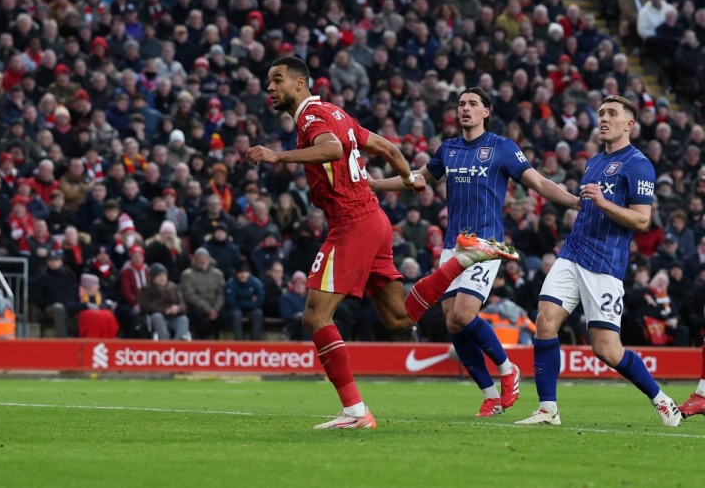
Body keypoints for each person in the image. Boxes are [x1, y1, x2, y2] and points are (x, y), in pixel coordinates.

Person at [246, 56, 513, 429]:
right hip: (375, 219)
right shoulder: (337, 113)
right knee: (399, 318)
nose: (270, 87)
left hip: (352, 222)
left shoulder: (310, 117)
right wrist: (408, 178)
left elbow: (332, 150)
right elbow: (388, 149)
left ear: (300, 84)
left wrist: (278, 155)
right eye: (268, 81)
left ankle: (355, 412)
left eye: (277, 80)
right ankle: (463, 261)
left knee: (314, 316)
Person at [370, 87, 581, 418]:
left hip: (485, 245)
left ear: (486, 111)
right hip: (453, 246)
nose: (465, 109)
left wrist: (574, 201)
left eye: (472, 104)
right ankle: (490, 395)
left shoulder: (502, 147)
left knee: (464, 314)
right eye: (461, 104)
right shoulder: (449, 150)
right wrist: (376, 185)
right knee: (453, 324)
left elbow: (538, 183)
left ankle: (508, 368)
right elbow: (416, 179)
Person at [517, 96, 682, 428]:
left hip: (604, 265)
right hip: (572, 254)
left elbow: (641, 221)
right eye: (602, 113)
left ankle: (662, 400)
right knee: (545, 320)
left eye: (612, 114)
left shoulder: (639, 164)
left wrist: (604, 203)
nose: (603, 118)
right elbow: (584, 204)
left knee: (607, 350)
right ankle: (548, 408)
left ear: (629, 124)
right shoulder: (593, 161)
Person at [181, 247, 226, 339]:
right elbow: (190, 295)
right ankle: (203, 340)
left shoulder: (218, 274)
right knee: (198, 314)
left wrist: (215, 309)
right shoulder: (188, 274)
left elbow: (221, 293)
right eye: (199, 259)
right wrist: (208, 309)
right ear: (195, 260)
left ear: (209, 259)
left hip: (214, 305)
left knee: (226, 314)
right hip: (197, 306)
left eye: (204, 258)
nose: (202, 261)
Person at [138, 263, 190, 340]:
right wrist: (164, 310)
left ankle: (178, 344)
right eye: (159, 276)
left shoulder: (173, 287)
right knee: (157, 317)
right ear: (153, 277)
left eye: (164, 275)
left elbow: (183, 304)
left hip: (173, 317)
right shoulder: (146, 289)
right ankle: (165, 342)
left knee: (183, 319)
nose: (162, 278)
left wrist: (177, 308)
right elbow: (145, 306)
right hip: (159, 317)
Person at [226, 260, 265, 341]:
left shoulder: (256, 283)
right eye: (240, 272)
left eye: (245, 272)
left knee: (258, 313)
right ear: (236, 273)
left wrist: (241, 301)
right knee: (236, 314)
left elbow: (260, 301)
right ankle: (239, 342)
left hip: (251, 310)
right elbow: (231, 302)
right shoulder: (231, 283)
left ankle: (255, 342)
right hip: (236, 310)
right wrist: (250, 301)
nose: (243, 275)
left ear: (249, 273)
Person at [280, 271, 310, 341]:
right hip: (294, 325)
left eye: (302, 283)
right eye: (296, 283)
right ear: (293, 284)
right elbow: (286, 315)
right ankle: (306, 347)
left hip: (308, 323)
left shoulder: (309, 298)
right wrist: (298, 315)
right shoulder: (286, 297)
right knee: (304, 322)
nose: (299, 285)